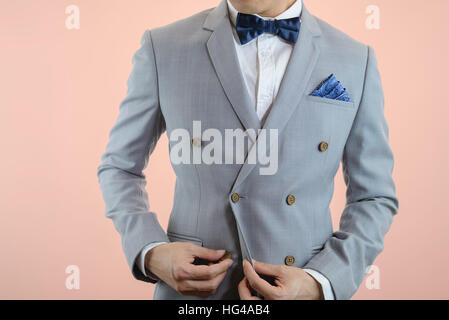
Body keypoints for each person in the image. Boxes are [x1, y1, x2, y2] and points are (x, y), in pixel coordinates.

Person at [97, 0, 399, 300]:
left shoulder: (355, 59)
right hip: (195, 297)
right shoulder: (163, 46)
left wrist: (322, 281)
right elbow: (120, 167)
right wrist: (151, 251)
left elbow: (373, 196)